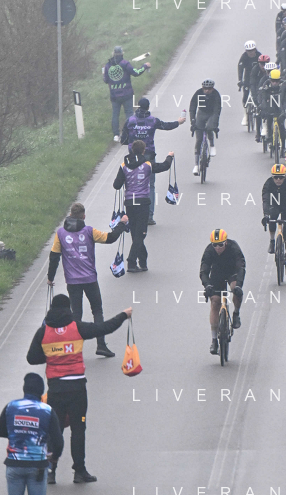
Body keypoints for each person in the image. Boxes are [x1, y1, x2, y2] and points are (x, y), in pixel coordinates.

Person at [26, 293, 132, 484]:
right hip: (77, 389)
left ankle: (50, 471)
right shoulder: (77, 327)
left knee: (55, 431)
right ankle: (79, 471)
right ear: (68, 309)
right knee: (78, 429)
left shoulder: (43, 332)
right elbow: (104, 327)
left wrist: (51, 355)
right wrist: (124, 315)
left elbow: (32, 358)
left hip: (55, 390)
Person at [46, 201, 126, 356]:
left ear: (70, 215)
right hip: (90, 279)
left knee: (76, 314)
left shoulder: (60, 234)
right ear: (83, 216)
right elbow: (110, 238)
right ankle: (101, 345)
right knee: (97, 310)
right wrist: (122, 223)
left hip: (72, 281)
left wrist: (50, 278)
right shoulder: (89, 231)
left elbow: (54, 256)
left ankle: (74, 348)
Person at [121, 96, 186, 223]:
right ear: (148, 107)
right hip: (149, 156)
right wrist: (178, 122)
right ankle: (149, 216)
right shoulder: (153, 120)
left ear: (138, 106)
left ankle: (131, 216)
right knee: (150, 186)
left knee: (131, 185)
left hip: (132, 158)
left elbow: (123, 140)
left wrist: (132, 140)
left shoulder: (130, 121)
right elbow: (166, 126)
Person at [112, 140, 174, 272]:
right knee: (140, 234)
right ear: (143, 151)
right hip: (142, 203)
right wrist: (170, 156)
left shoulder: (124, 165)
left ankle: (143, 261)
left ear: (132, 150)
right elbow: (164, 166)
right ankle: (131, 261)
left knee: (136, 233)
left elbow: (116, 185)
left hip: (130, 203)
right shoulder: (147, 165)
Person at [199, 229, 246, 352]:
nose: (218, 248)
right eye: (215, 245)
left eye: (220, 244)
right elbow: (204, 271)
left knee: (235, 288)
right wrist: (207, 286)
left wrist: (239, 286)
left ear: (226, 242)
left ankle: (236, 313)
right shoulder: (209, 251)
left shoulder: (234, 247)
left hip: (232, 272)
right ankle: (214, 340)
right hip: (217, 274)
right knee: (215, 302)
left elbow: (241, 267)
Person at [102, 45, 150, 140]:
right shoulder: (125, 63)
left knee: (115, 115)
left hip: (114, 95)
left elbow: (105, 80)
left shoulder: (107, 66)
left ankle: (116, 135)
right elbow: (136, 72)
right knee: (129, 113)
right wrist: (144, 66)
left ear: (113, 54)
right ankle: (130, 133)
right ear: (122, 53)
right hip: (127, 94)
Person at [262, 162, 286, 274]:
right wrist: (265, 215)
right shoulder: (268, 184)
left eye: (281, 177)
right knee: (272, 217)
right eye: (275, 177)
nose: (278, 180)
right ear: (272, 177)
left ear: (285, 176)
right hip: (274, 205)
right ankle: (272, 241)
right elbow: (266, 201)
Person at [189, 77, 222, 172]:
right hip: (201, 113)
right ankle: (196, 165)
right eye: (205, 88)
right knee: (199, 139)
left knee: (209, 127)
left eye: (209, 88)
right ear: (202, 88)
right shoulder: (198, 93)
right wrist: (193, 121)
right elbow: (192, 107)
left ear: (212, 88)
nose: (207, 90)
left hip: (211, 113)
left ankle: (212, 145)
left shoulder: (216, 94)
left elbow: (217, 111)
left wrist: (215, 124)